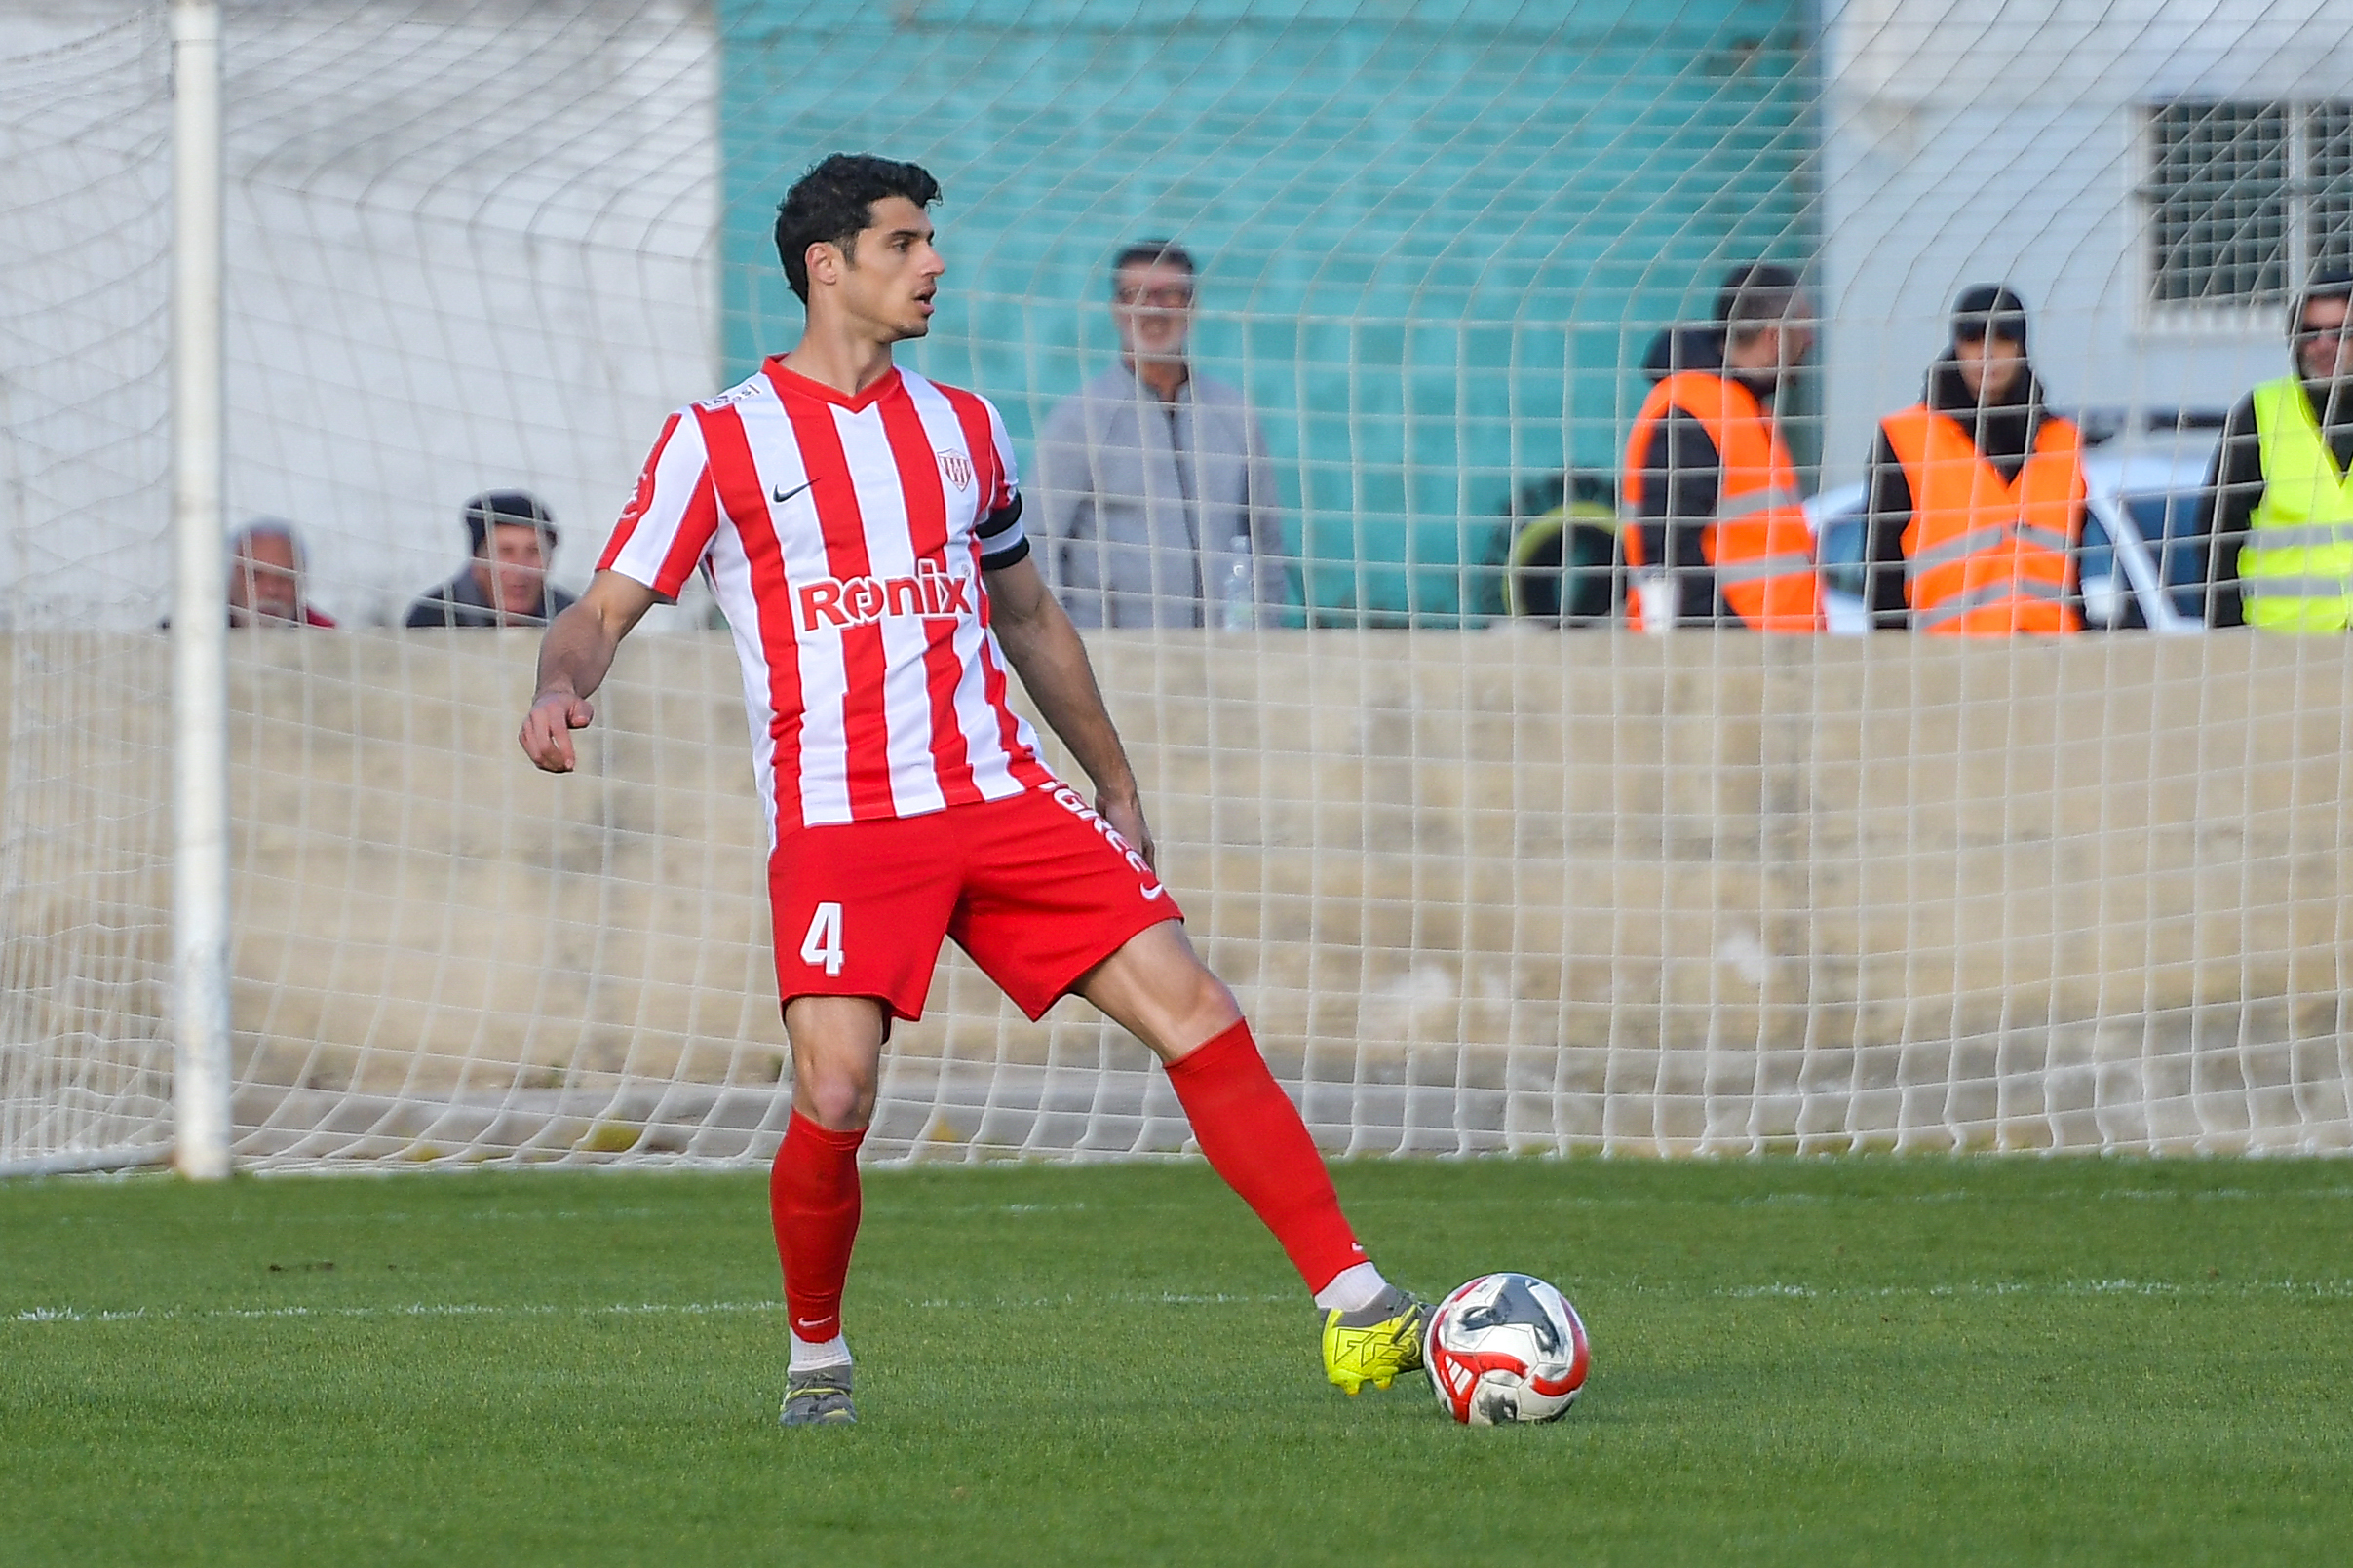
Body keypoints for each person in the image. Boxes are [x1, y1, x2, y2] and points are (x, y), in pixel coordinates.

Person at [517, 154, 1424, 1428]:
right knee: (837, 1091)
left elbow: (1028, 613)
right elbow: (602, 609)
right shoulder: (717, 441)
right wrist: (559, 686)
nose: (932, 263)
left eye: (928, 241)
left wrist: (1113, 780)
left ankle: (1357, 1301)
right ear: (826, 266)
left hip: (999, 794)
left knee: (1194, 1003)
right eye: (903, 243)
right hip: (842, 821)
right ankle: (816, 1358)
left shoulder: (966, 429)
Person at [1030, 239, 1283, 629]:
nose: (1154, 309)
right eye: (1137, 294)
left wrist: (1262, 639)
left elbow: (1266, 541)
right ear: (1117, 310)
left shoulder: (1234, 415)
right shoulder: (1081, 418)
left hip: (1221, 652)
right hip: (1112, 650)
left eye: (1171, 295)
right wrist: (1063, 648)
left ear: (1192, 308)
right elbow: (1039, 540)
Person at [1856, 286, 2086, 634]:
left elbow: (2076, 568)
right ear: (1956, 347)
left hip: (2049, 655)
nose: (1987, 354)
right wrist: (1895, 656)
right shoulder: (1904, 438)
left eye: (2002, 339)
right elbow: (1881, 571)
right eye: (1973, 340)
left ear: (2021, 348)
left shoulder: (2063, 441)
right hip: (1947, 657)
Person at [1619, 263, 1823, 632]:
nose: (1810, 340)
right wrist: (1731, 644)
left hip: (1771, 654)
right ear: (1774, 336)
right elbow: (1667, 550)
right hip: (1731, 657)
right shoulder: (1693, 409)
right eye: (1803, 326)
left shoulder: (1745, 409)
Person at [2198, 270, 2353, 631]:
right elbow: (2216, 535)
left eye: (2341, 333)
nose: (2324, 345)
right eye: (2311, 333)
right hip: (2281, 644)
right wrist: (2228, 635)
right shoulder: (2261, 412)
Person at [405, 490, 576, 628]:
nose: (521, 568)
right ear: (478, 560)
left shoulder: (572, 618)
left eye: (533, 552)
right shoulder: (434, 617)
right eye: (506, 552)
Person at [230, 519, 335, 627]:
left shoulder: (323, 632)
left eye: (285, 577)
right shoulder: (217, 621)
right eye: (256, 576)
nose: (271, 591)